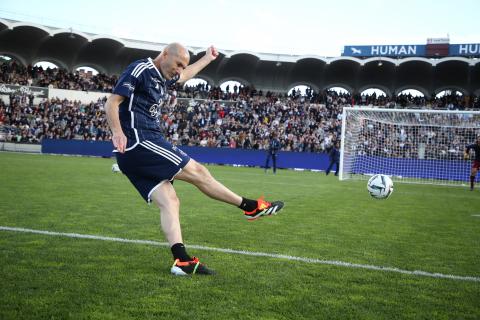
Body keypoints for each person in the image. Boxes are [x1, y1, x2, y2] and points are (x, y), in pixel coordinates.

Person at [105, 43, 284, 276]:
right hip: (141, 142)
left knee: (170, 201)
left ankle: (182, 261)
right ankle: (250, 207)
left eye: (183, 66)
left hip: (135, 152)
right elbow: (112, 102)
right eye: (178, 63)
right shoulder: (141, 69)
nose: (180, 70)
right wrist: (117, 132)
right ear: (165, 54)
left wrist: (208, 58)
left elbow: (185, 76)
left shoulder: (164, 77)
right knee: (198, 172)